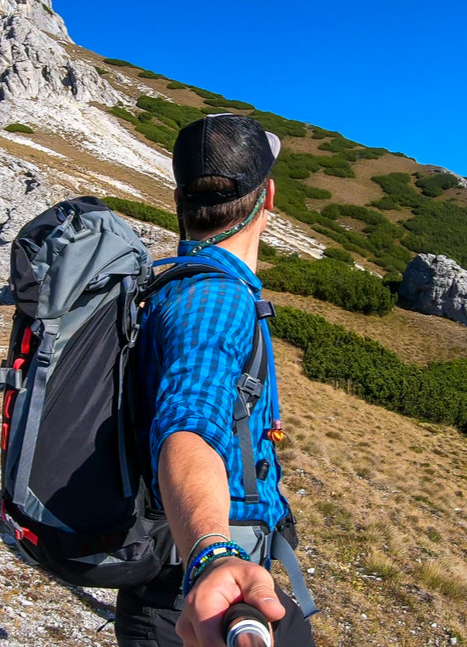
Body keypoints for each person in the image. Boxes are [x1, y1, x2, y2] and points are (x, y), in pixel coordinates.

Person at [115, 115, 316, 647]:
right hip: (200, 601)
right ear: (267, 196)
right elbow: (187, 425)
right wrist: (211, 554)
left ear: (179, 199)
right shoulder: (215, 298)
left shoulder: (173, 285)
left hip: (174, 585)